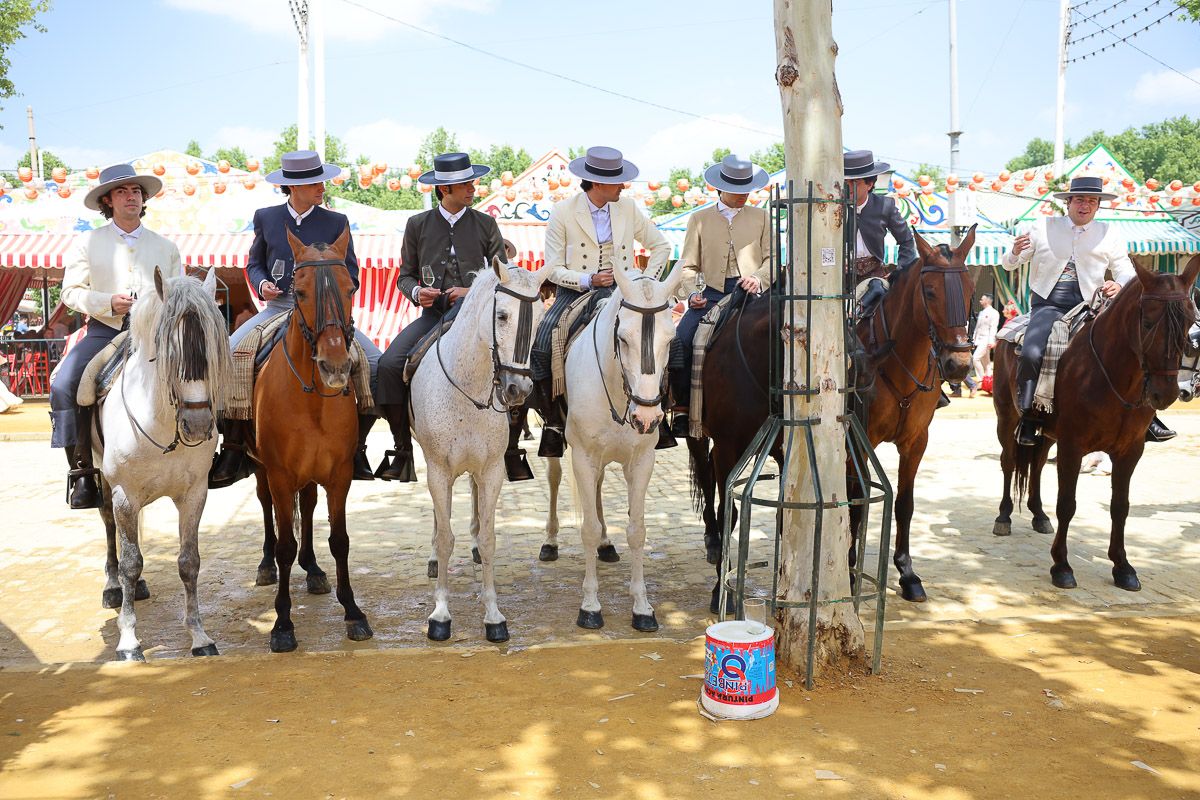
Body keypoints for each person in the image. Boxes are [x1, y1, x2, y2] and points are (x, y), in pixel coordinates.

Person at [208, 150, 383, 487]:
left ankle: (356, 447)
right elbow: (255, 263)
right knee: (228, 356)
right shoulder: (266, 217)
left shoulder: (337, 222)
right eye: (316, 183)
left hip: (325, 312)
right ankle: (233, 446)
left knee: (375, 363)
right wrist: (262, 284)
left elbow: (351, 272)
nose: (322, 187)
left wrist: (332, 293)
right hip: (278, 306)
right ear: (294, 187)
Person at [1000, 175, 1173, 446]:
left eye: (1092, 201)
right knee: (1032, 351)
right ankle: (1029, 417)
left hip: (1092, 304)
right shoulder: (1042, 226)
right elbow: (1009, 264)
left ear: (1098, 205)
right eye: (1080, 199)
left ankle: (1147, 416)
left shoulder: (1109, 232)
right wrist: (1013, 252)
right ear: (1068, 202)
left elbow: (1124, 269)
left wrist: (1119, 284)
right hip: (1048, 304)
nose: (1086, 205)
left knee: (1137, 346)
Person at [51, 163, 183, 508]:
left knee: (201, 371)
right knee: (63, 384)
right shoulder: (87, 242)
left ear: (143, 199)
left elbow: (178, 293)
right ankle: (82, 471)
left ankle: (211, 454)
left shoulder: (166, 246)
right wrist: (107, 302)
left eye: (136, 191)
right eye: (122, 192)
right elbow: (71, 292)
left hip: (156, 332)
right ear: (107, 201)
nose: (131, 197)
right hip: (106, 330)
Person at [529, 146, 671, 458]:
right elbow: (552, 267)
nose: (623, 186)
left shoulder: (628, 208)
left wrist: (643, 283)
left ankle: (662, 413)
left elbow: (662, 246)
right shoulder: (563, 211)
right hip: (577, 292)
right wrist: (588, 279)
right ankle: (554, 421)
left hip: (626, 294)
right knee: (542, 341)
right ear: (597, 183)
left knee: (663, 339)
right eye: (617, 181)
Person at [374, 152, 504, 482]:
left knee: (515, 363)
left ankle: (513, 448)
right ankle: (402, 449)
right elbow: (404, 276)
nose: (473, 188)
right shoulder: (417, 224)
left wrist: (470, 291)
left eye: (473, 182)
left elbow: (504, 275)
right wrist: (418, 292)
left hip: (475, 320)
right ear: (445, 190)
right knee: (388, 366)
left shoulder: (486, 224)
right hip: (433, 316)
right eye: (466, 184)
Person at [667, 154, 771, 435]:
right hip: (711, 295)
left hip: (754, 296)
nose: (743, 195)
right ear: (720, 188)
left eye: (747, 189)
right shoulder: (698, 219)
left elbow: (772, 260)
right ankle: (682, 408)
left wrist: (758, 279)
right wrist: (692, 295)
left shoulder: (762, 217)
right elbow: (688, 266)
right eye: (737, 190)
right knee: (681, 339)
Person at [844, 149, 917, 320]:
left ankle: (854, 317)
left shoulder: (885, 206)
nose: (849, 188)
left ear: (869, 184)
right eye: (845, 182)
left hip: (873, 275)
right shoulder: (834, 206)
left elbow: (907, 240)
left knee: (882, 293)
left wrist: (900, 271)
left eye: (855, 182)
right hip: (839, 276)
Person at [971, 293, 1000, 393]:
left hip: (986, 339)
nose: (980, 301)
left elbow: (993, 327)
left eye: (982, 299)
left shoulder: (994, 313)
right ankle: (989, 384)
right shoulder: (982, 312)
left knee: (975, 358)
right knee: (986, 363)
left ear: (988, 300)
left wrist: (991, 341)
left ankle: (981, 380)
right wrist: (974, 340)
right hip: (979, 339)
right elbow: (977, 328)